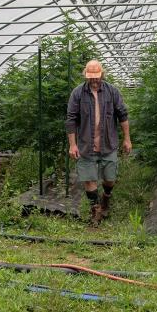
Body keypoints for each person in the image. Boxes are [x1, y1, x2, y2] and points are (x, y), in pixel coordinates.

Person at [66, 60, 132, 225]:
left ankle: (106, 198)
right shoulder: (78, 93)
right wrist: (72, 145)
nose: (94, 80)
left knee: (110, 179)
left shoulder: (112, 91)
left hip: (108, 144)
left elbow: (123, 115)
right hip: (86, 145)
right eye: (91, 77)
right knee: (89, 179)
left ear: (102, 74)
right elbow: (71, 120)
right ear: (86, 75)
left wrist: (127, 139)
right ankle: (95, 211)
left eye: (97, 76)